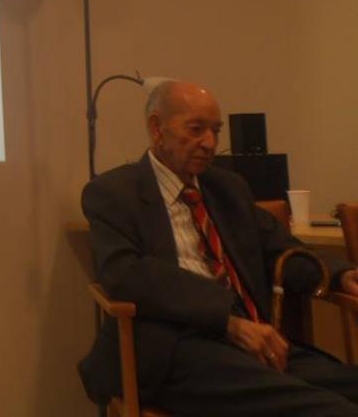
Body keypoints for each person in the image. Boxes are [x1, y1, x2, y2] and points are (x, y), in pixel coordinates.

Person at [79, 80, 358, 416]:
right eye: (196, 129)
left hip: (255, 343)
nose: (210, 143)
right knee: (331, 411)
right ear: (157, 128)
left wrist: (341, 275)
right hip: (178, 349)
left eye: (216, 131)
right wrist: (226, 320)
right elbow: (124, 274)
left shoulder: (227, 188)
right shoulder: (114, 193)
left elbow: (281, 249)